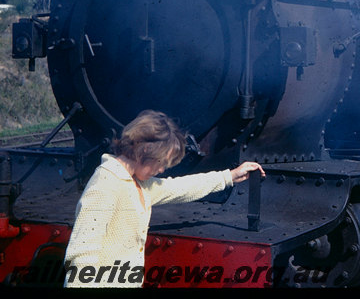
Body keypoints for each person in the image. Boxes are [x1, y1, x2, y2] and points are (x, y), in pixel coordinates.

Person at [63, 110, 265, 288]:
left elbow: (179, 187)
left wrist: (228, 176)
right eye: (161, 163)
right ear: (143, 151)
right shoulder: (106, 183)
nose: (161, 170)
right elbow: (81, 255)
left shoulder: (137, 184)